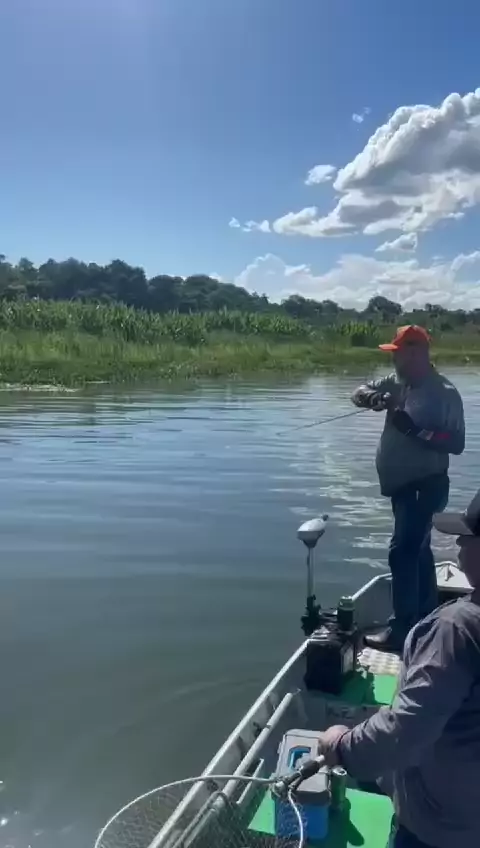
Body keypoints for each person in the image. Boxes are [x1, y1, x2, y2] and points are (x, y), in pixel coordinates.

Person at [317, 488, 480, 848]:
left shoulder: (457, 630)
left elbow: (407, 730)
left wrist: (343, 746)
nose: (458, 545)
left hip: (441, 831)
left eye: (468, 537)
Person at [352, 325, 465, 651]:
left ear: (416, 353)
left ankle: (402, 631)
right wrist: (373, 398)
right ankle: (426, 618)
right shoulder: (396, 381)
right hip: (401, 486)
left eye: (398, 353)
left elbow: (456, 443)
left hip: (425, 485)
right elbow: (357, 391)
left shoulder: (444, 392)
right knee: (418, 550)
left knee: (402, 552)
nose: (394, 359)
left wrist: (416, 431)